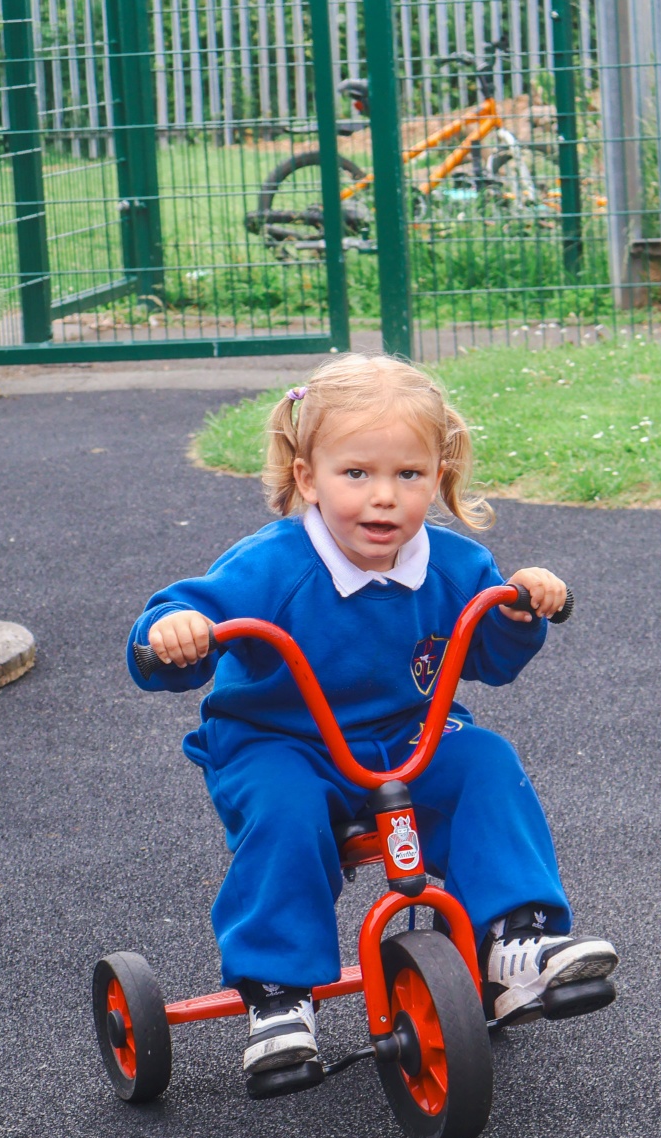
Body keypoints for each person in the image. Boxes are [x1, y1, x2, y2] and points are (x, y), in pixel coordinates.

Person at [128, 354, 618, 1079]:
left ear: (438, 476)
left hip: (404, 740)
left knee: (486, 761)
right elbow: (175, 624)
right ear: (308, 478)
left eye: (408, 475)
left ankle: (517, 939)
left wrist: (520, 608)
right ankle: (278, 992)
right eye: (356, 473)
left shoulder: (453, 565)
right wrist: (174, 633)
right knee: (286, 809)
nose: (383, 498)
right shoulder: (273, 566)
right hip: (279, 742)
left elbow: (491, 656)